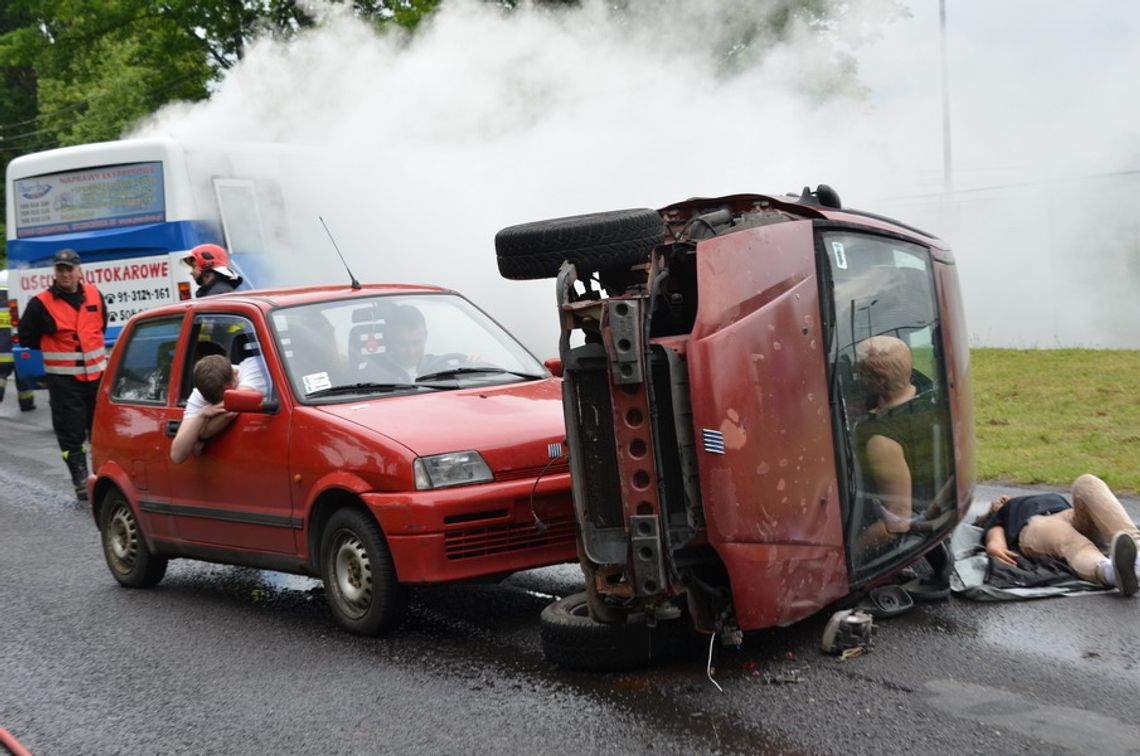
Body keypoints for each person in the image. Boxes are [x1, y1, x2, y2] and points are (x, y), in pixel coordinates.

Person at [16, 248, 107, 500]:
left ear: (79, 271)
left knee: (100, 431)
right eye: (60, 269)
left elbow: (101, 325)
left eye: (69, 269)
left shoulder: (94, 295)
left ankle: (103, 477)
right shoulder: (40, 304)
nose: (65, 274)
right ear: (55, 272)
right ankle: (80, 479)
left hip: (96, 378)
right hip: (64, 382)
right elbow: (27, 337)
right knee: (71, 434)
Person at [851, 335, 944, 557]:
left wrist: (848, 559)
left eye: (859, 373)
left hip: (903, 544)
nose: (854, 378)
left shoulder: (881, 440)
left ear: (879, 381)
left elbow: (896, 522)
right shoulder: (929, 396)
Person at [976, 475, 1140, 596]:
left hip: (1070, 516)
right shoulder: (1004, 514)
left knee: (1086, 482)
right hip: (1038, 525)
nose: (1001, 499)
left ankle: (1137, 552)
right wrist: (995, 545)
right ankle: (1110, 573)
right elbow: (994, 535)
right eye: (996, 503)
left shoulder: (1040, 499)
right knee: (1073, 543)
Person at [170, 349, 267, 464]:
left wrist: (200, 436)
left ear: (235, 374)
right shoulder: (199, 394)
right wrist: (202, 415)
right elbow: (177, 456)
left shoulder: (253, 366)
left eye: (226, 397)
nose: (223, 403)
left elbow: (234, 409)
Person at [0, 271, 37, 411]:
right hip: (19, 346)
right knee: (23, 375)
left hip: (1, 350)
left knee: (1, 374)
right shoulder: (19, 298)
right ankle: (27, 404)